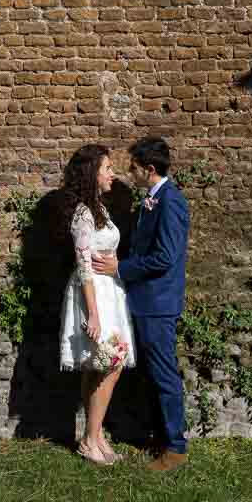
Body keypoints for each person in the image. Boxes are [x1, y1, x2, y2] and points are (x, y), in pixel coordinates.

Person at [92, 136, 190, 472]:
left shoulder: (170, 202)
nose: (127, 173)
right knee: (152, 373)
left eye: (133, 167)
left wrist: (120, 268)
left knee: (163, 374)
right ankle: (159, 436)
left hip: (158, 303)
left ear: (149, 170)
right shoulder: (152, 200)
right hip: (146, 301)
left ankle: (176, 447)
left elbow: (165, 256)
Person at [58, 144, 136, 466]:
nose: (112, 174)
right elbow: (83, 265)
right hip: (94, 296)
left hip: (109, 291)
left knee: (101, 365)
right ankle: (91, 439)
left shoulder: (99, 209)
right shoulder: (83, 214)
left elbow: (102, 252)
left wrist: (115, 261)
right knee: (109, 363)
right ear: (92, 173)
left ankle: (95, 435)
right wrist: (93, 313)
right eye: (107, 168)